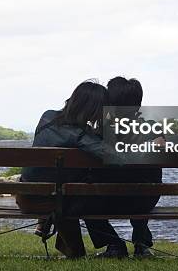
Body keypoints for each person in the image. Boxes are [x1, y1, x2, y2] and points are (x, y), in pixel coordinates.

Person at [16, 80, 124, 258]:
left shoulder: (47, 116)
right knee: (90, 194)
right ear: (93, 109)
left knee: (72, 189)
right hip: (53, 201)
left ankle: (61, 236)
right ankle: (114, 244)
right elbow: (118, 159)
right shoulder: (81, 136)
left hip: (26, 196)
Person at [85, 76, 164, 258]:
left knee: (82, 200)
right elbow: (160, 151)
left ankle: (114, 244)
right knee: (145, 183)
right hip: (143, 201)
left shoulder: (97, 132)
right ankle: (141, 244)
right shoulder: (152, 129)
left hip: (105, 202)